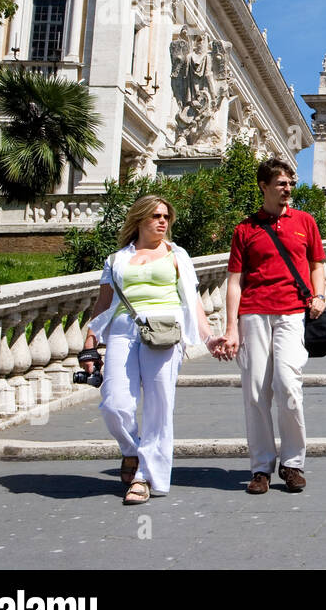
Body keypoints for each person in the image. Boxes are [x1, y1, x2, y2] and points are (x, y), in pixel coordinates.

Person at [82, 195, 224, 504]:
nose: (163, 221)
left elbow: (192, 301)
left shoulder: (177, 255)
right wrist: (89, 344)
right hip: (123, 331)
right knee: (114, 402)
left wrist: (208, 336)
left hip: (164, 331)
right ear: (139, 219)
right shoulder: (116, 259)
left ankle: (146, 477)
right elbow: (103, 304)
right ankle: (133, 450)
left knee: (159, 406)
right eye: (156, 215)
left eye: (166, 216)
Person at [220, 158, 326, 495]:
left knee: (288, 386)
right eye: (281, 184)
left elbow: (317, 265)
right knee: (255, 392)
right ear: (264, 186)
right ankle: (262, 467)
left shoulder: (305, 222)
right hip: (252, 314)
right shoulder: (245, 229)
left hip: (292, 312)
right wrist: (231, 327)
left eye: (290, 184)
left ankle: (293, 463)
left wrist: (320, 295)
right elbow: (234, 282)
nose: (288, 189)